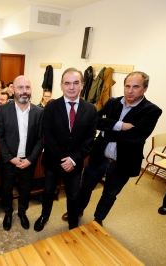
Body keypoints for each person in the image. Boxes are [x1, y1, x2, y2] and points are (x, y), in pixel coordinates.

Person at [65, 71, 162, 227]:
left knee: (109, 194)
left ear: (145, 88)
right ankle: (77, 211)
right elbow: (95, 121)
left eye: (136, 87)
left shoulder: (151, 110)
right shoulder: (112, 102)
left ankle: (98, 220)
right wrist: (119, 126)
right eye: (127, 86)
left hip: (123, 162)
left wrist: (106, 129)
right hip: (99, 157)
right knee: (85, 188)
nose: (130, 91)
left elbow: (137, 137)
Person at [34, 68, 97, 231]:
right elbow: (47, 136)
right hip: (53, 161)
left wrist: (73, 159)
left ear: (82, 85)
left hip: (75, 163)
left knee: (74, 195)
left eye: (76, 83)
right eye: (67, 83)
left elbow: (89, 139)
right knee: (48, 192)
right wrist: (63, 159)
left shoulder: (90, 110)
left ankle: (73, 222)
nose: (71, 87)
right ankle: (44, 216)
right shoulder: (51, 107)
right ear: (61, 86)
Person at [0, 76, 43, 231]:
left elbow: (41, 139)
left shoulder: (39, 112)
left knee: (25, 190)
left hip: (28, 161)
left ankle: (22, 213)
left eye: (27, 87)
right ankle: (8, 213)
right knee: (7, 190)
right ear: (13, 89)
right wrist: (10, 158)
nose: (24, 91)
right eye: (20, 87)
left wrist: (30, 159)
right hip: (9, 161)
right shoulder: (3, 110)